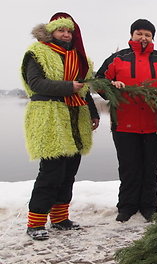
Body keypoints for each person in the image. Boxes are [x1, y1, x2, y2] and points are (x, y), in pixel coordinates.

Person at [20, 12, 100, 240]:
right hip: (50, 118)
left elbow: (84, 89)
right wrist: (68, 87)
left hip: (76, 118)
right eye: (61, 30)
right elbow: (36, 83)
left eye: (69, 31)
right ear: (51, 32)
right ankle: (35, 221)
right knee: (51, 173)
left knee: (68, 172)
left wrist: (93, 113)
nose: (65, 34)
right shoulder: (37, 53)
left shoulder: (79, 57)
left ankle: (60, 218)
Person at [96, 19, 157, 222]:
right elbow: (100, 81)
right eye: (139, 34)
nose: (143, 38)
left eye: (148, 35)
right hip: (124, 124)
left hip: (155, 124)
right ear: (132, 35)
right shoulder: (118, 59)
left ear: (152, 37)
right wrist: (111, 86)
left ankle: (149, 206)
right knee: (128, 166)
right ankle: (126, 206)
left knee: (150, 167)